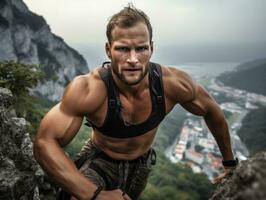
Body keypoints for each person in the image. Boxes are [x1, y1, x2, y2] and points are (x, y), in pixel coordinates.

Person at [34, 4, 238, 200]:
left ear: (152, 48)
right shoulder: (88, 89)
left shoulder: (172, 83)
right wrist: (94, 195)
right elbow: (45, 142)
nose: (133, 59)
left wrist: (229, 162)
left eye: (141, 48)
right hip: (100, 161)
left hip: (141, 167)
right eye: (123, 49)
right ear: (108, 50)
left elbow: (212, 110)